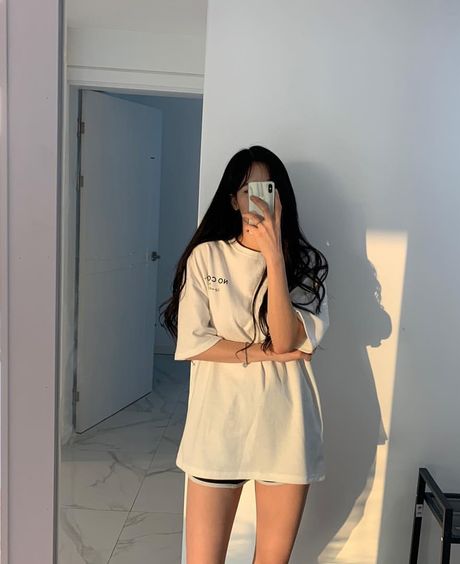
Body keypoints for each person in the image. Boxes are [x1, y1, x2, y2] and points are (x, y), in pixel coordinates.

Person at [161, 145, 330, 564]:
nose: (257, 199)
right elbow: (196, 343)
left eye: (266, 188)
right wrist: (266, 354)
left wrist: (274, 256)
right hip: (218, 426)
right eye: (247, 190)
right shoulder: (207, 257)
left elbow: (287, 341)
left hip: (284, 427)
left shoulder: (305, 265)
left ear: (281, 196)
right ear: (233, 200)